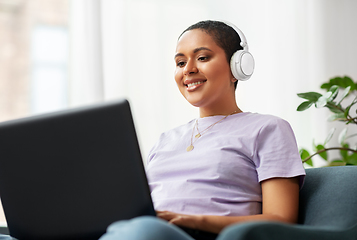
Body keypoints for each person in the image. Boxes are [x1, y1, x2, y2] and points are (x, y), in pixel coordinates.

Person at [99, 20, 306, 240]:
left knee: (143, 231)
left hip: (199, 235)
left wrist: (194, 221)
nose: (188, 69)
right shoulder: (165, 140)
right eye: (180, 62)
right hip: (142, 232)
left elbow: (281, 219)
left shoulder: (268, 129)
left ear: (237, 67)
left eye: (202, 58)